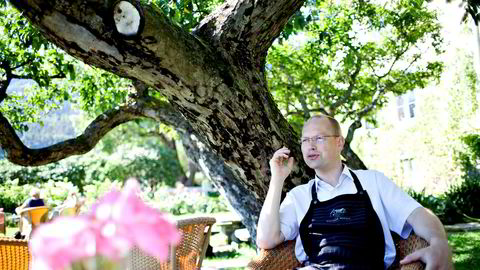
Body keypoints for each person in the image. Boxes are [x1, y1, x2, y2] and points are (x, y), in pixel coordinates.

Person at [256, 115, 453, 269]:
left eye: (319, 138)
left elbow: (418, 214)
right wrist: (277, 178)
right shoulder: (299, 196)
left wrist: (438, 242)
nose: (311, 145)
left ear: (340, 142)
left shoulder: (373, 181)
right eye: (305, 140)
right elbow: (267, 239)